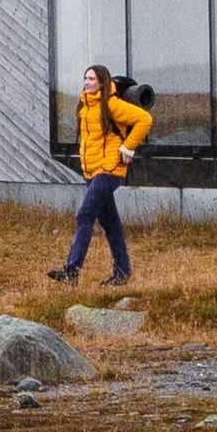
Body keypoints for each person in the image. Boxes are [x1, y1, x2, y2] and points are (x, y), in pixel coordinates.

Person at [62, 58, 153, 283]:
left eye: (91, 79)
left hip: (110, 169)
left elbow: (144, 119)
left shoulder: (111, 104)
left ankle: (72, 271)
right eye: (85, 78)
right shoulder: (85, 105)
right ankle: (122, 273)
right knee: (111, 225)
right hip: (92, 171)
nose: (86, 82)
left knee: (85, 215)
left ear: (103, 82)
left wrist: (128, 147)